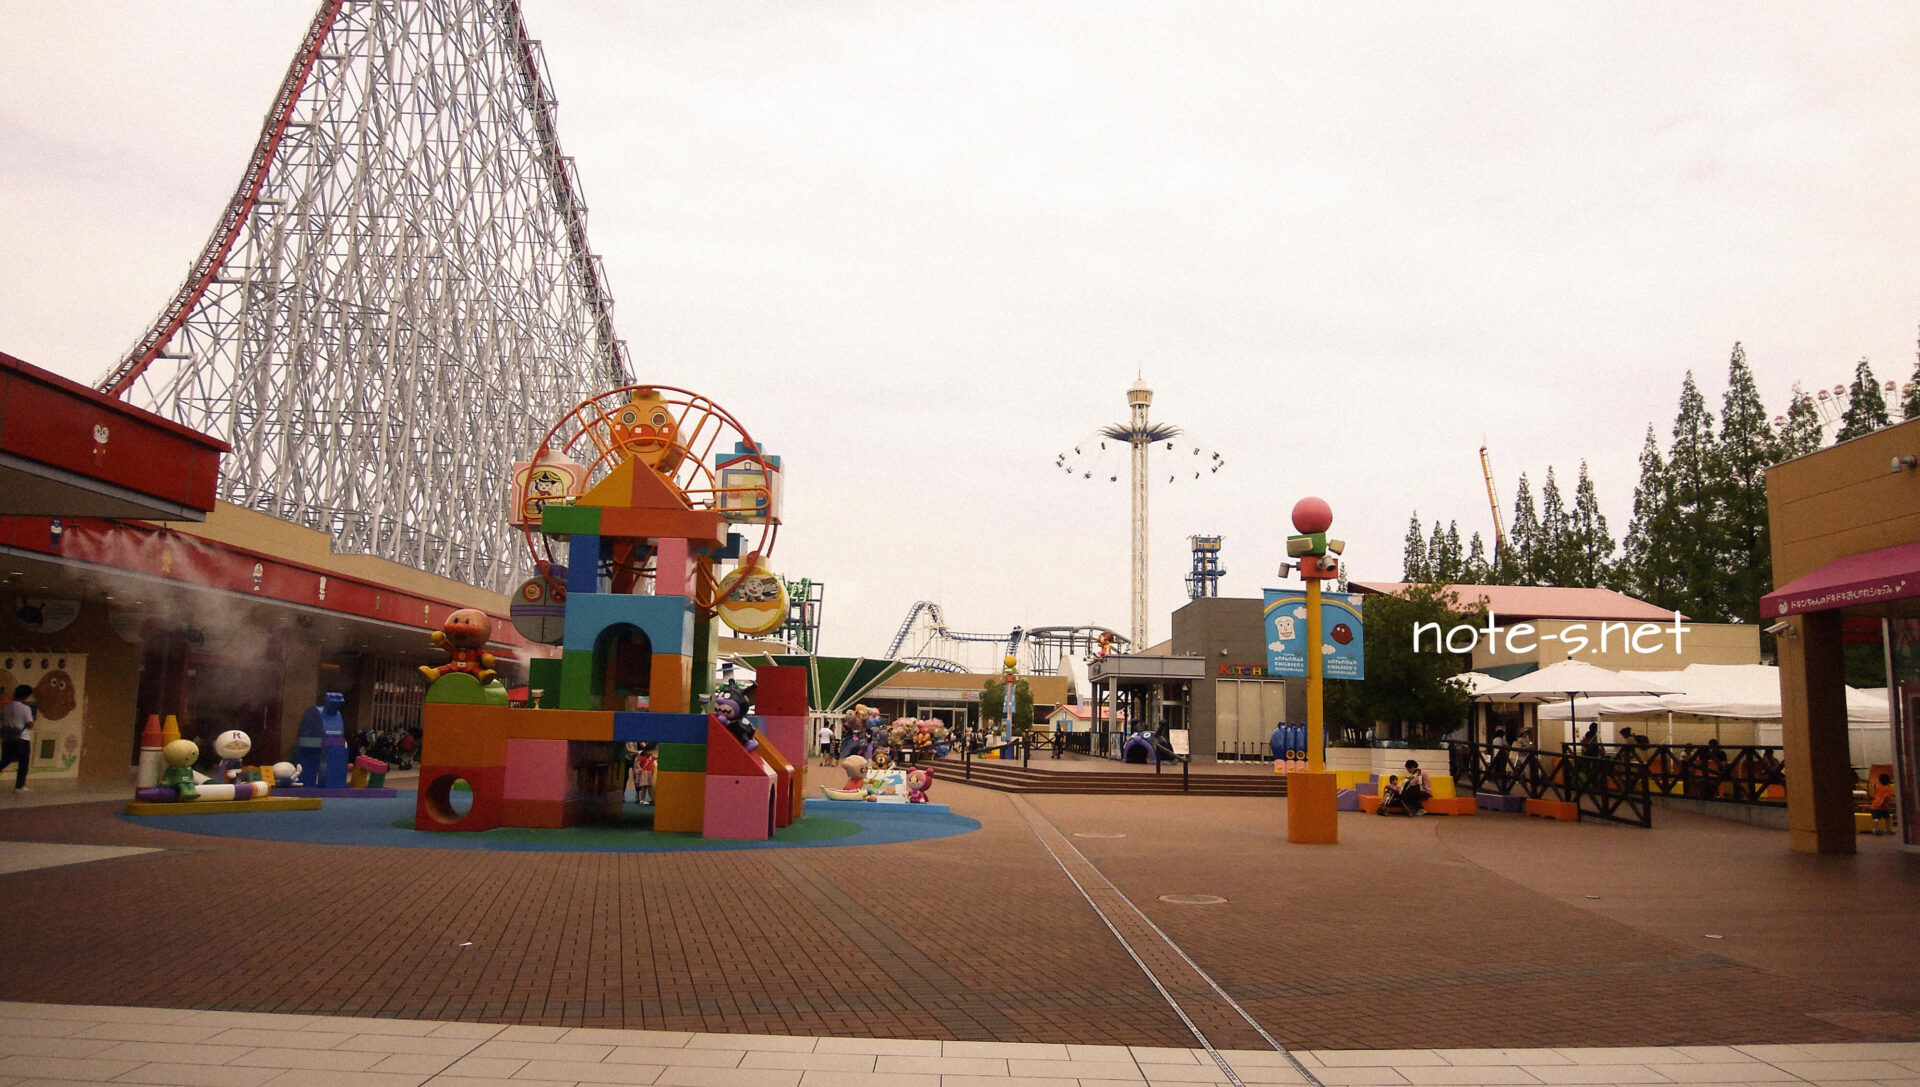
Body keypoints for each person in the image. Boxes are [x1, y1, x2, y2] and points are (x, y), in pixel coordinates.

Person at [0, 685, 34, 792]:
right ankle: (20, 786)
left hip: (8, 737)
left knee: (5, 760)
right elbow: (30, 724)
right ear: (26, 696)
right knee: (23, 763)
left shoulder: (6, 706)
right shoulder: (25, 708)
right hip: (22, 738)